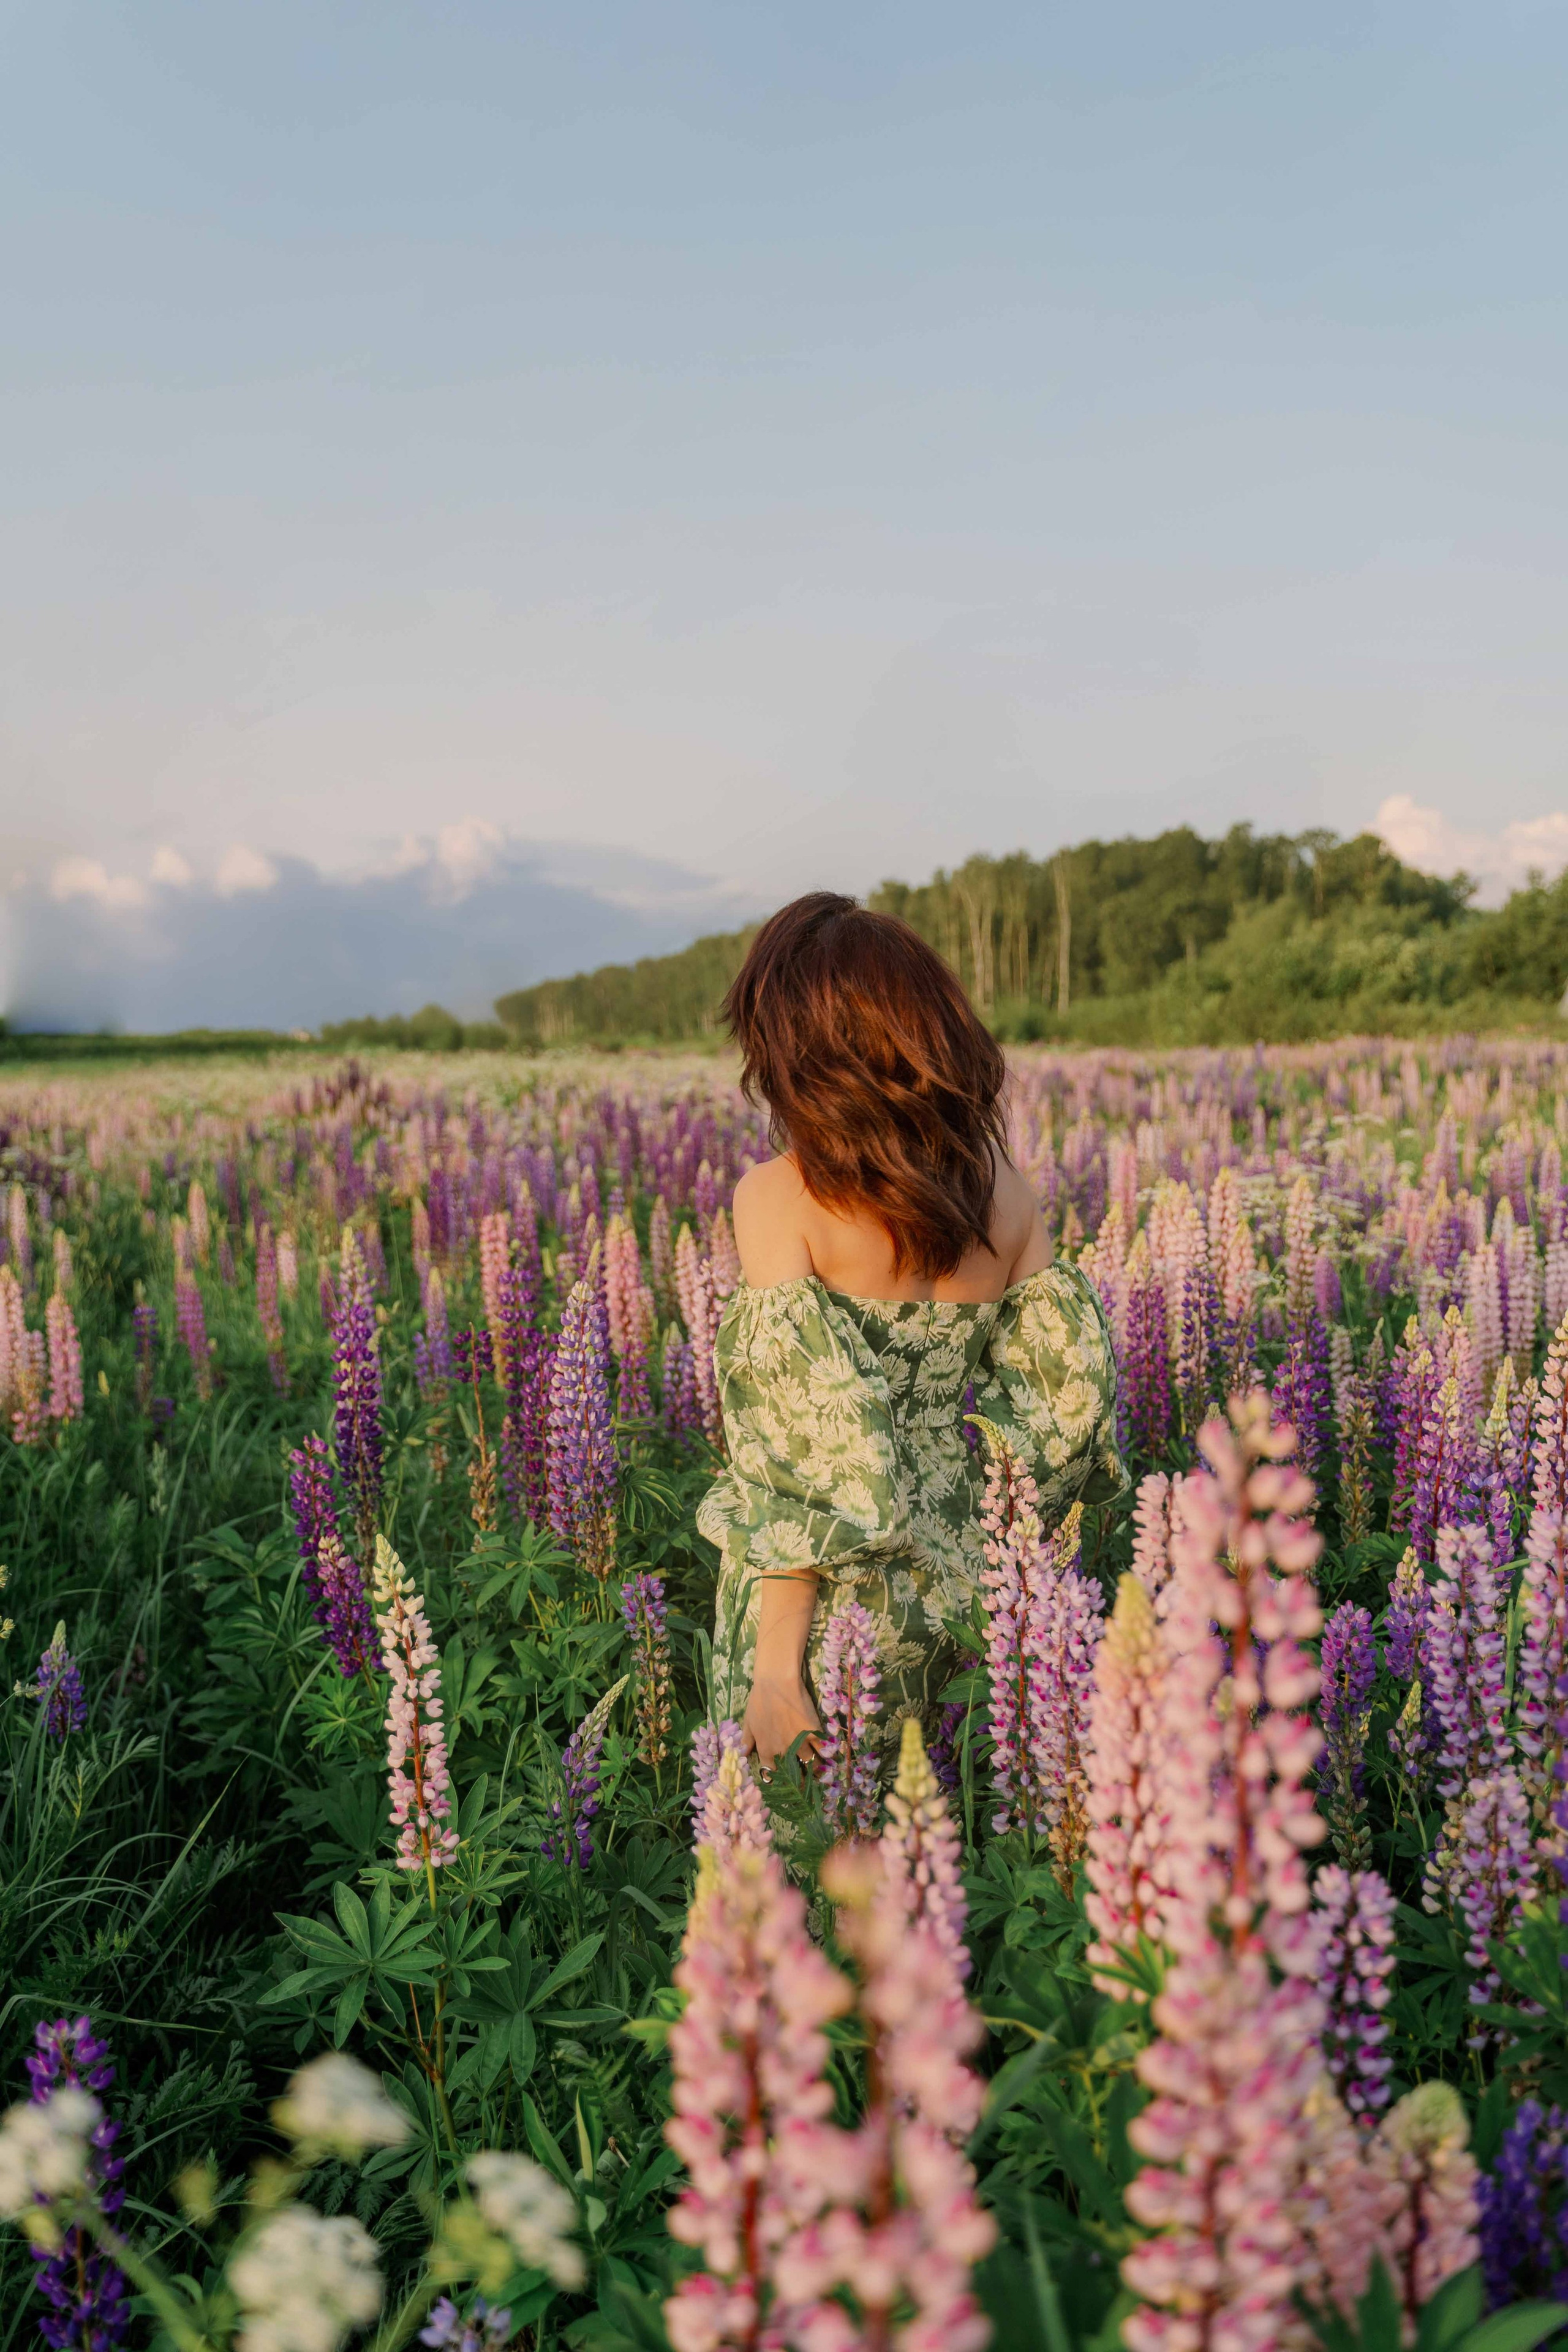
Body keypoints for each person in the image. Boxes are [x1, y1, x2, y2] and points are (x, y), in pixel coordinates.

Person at [696, 891, 1125, 1776]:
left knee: (807, 1892)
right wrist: (993, 1565)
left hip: (824, 1625)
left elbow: (803, 1454)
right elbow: (1065, 1417)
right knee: (951, 1860)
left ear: (802, 1051)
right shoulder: (1005, 1192)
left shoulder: (779, 1197)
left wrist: (777, 1667)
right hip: (977, 1605)